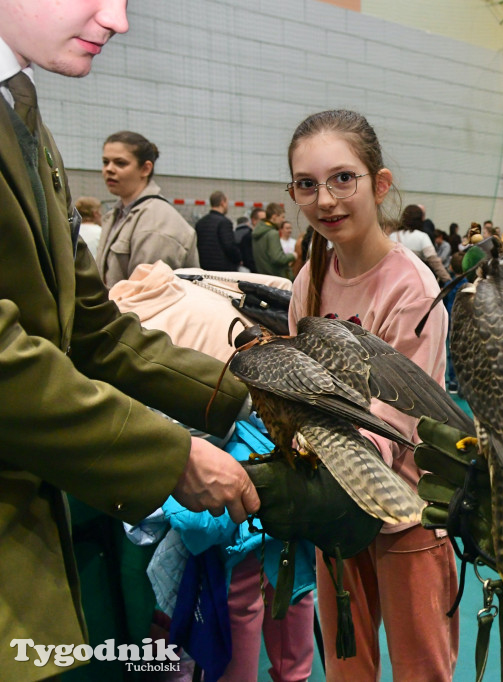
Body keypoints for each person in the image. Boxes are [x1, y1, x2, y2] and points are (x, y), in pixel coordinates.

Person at [0, 3, 258, 679]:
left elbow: (90, 324)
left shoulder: (21, 111)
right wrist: (174, 457)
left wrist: (248, 395)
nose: (117, 19)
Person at [284, 109, 458, 681]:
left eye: (342, 178)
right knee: (346, 669)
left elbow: (398, 416)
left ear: (379, 184)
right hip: (335, 514)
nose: (326, 199)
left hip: (405, 512)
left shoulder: (410, 285)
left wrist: (327, 462)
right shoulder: (309, 279)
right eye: (307, 185)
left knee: (419, 671)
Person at [96, 130, 200, 286]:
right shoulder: (116, 215)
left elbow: (147, 297)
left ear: (145, 169)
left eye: (120, 163)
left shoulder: (156, 223)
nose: (109, 169)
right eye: (105, 162)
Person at [390, 204, 452, 284]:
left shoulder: (393, 236)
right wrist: (448, 280)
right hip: (415, 281)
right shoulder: (422, 237)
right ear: (421, 219)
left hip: (395, 280)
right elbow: (434, 262)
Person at [194, 190, 242, 271]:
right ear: (222, 202)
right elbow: (229, 246)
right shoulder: (225, 222)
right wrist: (238, 259)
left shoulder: (200, 222)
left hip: (204, 268)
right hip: (223, 269)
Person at [253, 202, 295, 279]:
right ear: (274, 217)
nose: (283, 220)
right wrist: (293, 256)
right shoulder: (273, 234)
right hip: (276, 278)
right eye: (282, 217)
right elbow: (277, 259)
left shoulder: (257, 232)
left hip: (264, 277)